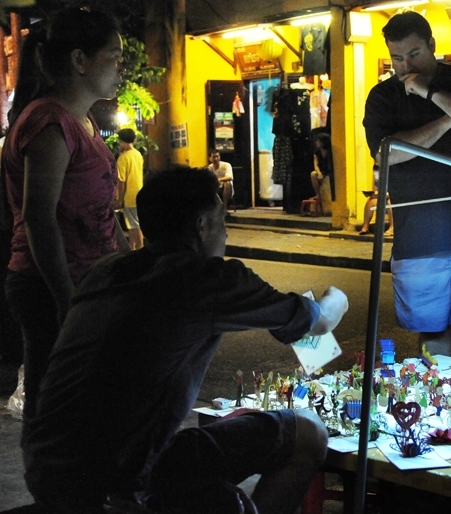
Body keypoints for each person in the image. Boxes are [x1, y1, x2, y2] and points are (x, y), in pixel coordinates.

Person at [22, 167, 349, 514]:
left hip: (46, 469)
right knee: (306, 432)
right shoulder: (207, 278)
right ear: (201, 226)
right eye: (222, 221)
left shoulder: (103, 272)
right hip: (117, 480)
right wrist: (337, 296)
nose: (226, 233)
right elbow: (320, 321)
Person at [3, 8, 128, 436]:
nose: (121, 69)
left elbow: (99, 212)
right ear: (79, 60)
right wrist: (65, 297)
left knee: (87, 401)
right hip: (52, 285)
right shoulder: (50, 124)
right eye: (114, 57)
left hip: (87, 282)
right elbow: (39, 218)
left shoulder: (82, 120)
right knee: (54, 403)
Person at [363, 11, 451, 364]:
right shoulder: (383, 96)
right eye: (397, 58)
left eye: (414, 54)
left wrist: (430, 93)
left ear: (432, 44)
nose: (405, 66)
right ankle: (440, 397)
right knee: (431, 330)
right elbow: (386, 153)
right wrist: (448, 120)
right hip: (417, 239)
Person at [114, 128, 144, 250]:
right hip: (139, 194)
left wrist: (120, 199)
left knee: (135, 226)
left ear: (122, 141)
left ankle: (140, 248)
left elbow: (121, 181)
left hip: (129, 197)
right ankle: (132, 248)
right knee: (132, 225)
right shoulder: (138, 154)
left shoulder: (123, 158)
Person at [359, 162, 394, 236]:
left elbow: (394, 192)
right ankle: (365, 227)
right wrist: (372, 194)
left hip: (392, 199)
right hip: (382, 198)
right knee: (371, 201)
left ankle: (392, 227)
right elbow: (376, 190)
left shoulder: (392, 178)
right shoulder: (377, 180)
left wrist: (383, 194)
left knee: (389, 201)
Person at [309, 131, 335, 214]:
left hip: (329, 172)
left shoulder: (330, 151)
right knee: (313, 174)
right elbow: (316, 165)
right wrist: (319, 173)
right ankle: (318, 194)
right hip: (322, 171)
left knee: (327, 181)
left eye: (318, 141)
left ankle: (327, 207)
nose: (316, 142)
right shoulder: (317, 152)